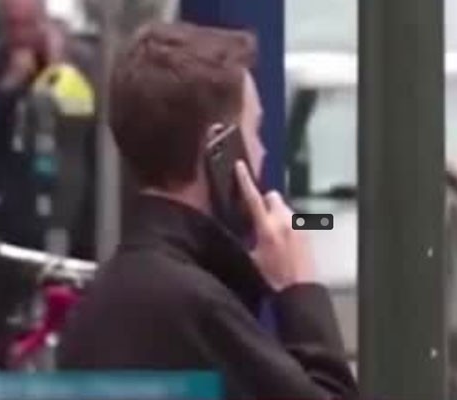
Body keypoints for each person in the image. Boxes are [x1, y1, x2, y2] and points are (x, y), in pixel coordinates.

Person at [57, 22, 358, 399]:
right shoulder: (195, 309)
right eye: (255, 131)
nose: (263, 152)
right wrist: (300, 290)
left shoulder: (101, 302)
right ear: (221, 148)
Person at [0, 0, 95, 369]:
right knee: (8, 327)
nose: (21, 36)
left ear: (43, 19)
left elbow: (95, 129)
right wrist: (10, 85)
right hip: (10, 215)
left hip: (71, 220)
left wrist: (59, 70)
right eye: (13, 26)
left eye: (28, 24)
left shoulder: (78, 61)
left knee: (73, 326)